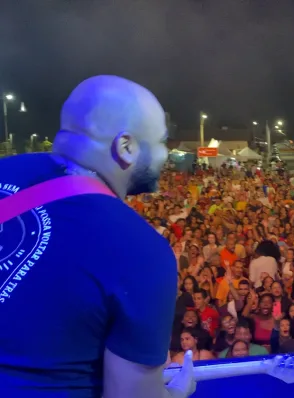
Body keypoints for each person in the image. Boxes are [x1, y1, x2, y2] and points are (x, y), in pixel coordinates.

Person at [0, 76, 195, 397]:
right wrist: (176, 393)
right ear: (126, 147)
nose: (165, 154)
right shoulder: (141, 252)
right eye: (161, 142)